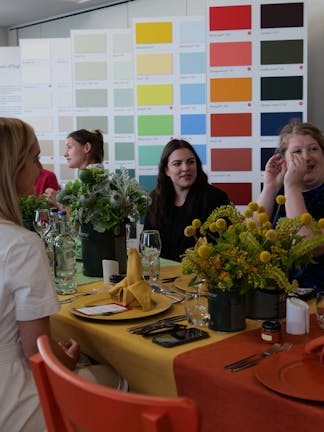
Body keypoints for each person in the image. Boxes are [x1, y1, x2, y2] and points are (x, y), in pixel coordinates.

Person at [0, 117, 79, 431]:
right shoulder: (21, 245)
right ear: (13, 168)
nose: (39, 168)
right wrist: (70, 362)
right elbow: (38, 353)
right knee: (121, 379)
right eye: (34, 159)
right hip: (14, 400)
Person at [257, 120, 324, 291]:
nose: (306, 157)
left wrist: (292, 187)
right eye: (297, 151)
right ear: (284, 161)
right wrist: (270, 188)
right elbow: (248, 240)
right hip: (274, 297)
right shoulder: (280, 194)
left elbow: (308, 247)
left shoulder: (290, 190)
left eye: (313, 149)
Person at [144, 139, 230, 261]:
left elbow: (224, 245)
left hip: (201, 275)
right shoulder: (154, 200)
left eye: (190, 162)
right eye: (177, 163)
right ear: (166, 170)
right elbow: (148, 246)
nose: (185, 168)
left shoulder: (216, 198)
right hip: (162, 275)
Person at [44, 128, 104, 208]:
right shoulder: (92, 176)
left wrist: (57, 201)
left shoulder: (92, 179)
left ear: (86, 148)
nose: (65, 154)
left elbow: (83, 218)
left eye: (69, 147)